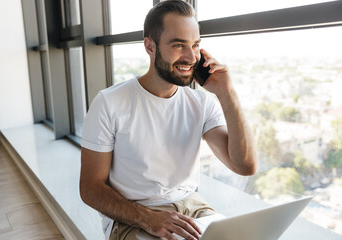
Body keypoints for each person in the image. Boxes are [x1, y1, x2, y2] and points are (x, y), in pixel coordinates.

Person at [79, 1, 258, 239]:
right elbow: (90, 188)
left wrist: (227, 93)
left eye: (195, 45)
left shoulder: (202, 103)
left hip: (193, 208)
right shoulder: (110, 103)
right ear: (149, 46)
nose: (191, 56)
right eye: (178, 45)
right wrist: (147, 218)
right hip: (135, 215)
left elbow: (244, 166)